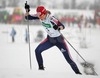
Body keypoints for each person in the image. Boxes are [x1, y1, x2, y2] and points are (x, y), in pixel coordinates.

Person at [24, 3, 81, 74]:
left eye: (40, 15)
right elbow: (27, 17)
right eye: (38, 15)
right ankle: (41, 70)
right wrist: (27, 11)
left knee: (68, 58)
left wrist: (58, 27)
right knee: (37, 51)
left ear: (44, 13)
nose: (39, 17)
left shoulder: (51, 18)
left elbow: (62, 26)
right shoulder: (39, 16)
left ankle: (78, 73)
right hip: (50, 40)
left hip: (59, 40)